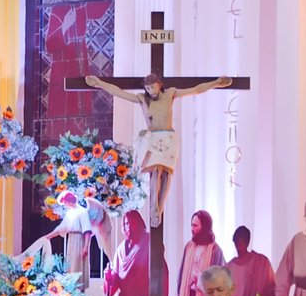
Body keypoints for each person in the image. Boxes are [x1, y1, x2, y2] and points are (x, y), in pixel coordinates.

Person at [84, 73, 232, 227]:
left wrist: (216, 83)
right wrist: (99, 83)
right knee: (156, 172)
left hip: (169, 139)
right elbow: (119, 92)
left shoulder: (170, 94)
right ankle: (154, 206)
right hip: (153, 138)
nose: (150, 91)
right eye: (147, 88)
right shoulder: (143, 99)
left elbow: (195, 90)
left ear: (159, 85)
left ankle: (160, 207)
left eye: (152, 87)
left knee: (167, 174)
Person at [25, 191, 111, 290]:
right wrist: (48, 237)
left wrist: (86, 246)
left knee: (77, 263)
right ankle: (71, 286)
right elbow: (62, 228)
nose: (65, 205)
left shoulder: (82, 212)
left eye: (65, 202)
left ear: (69, 200)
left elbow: (87, 230)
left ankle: (78, 287)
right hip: (71, 240)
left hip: (79, 240)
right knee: (70, 263)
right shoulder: (70, 213)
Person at [104, 209, 167, 296]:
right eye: (126, 224)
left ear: (139, 224)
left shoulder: (150, 243)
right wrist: (108, 278)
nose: (129, 227)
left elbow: (161, 273)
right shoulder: (121, 249)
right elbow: (114, 282)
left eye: (132, 223)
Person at [174, 210, 225, 296]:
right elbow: (181, 275)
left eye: (195, 226)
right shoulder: (189, 247)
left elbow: (219, 283)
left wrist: (200, 279)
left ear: (205, 227)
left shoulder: (215, 251)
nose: (192, 229)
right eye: (191, 225)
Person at [227, 225, 276, 296]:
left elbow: (270, 289)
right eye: (236, 243)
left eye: (241, 243)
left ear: (247, 242)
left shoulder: (261, 263)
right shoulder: (229, 267)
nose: (238, 247)